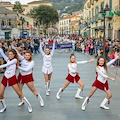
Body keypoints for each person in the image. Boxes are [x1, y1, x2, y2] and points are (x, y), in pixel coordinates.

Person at [0, 48, 32, 113]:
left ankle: (29, 106)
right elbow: (3, 54)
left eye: (11, 54)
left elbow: (7, 65)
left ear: (14, 55)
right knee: (0, 93)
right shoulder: (8, 59)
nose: (10, 55)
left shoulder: (14, 60)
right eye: (9, 54)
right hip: (5, 77)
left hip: (12, 78)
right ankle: (4, 106)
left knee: (19, 93)